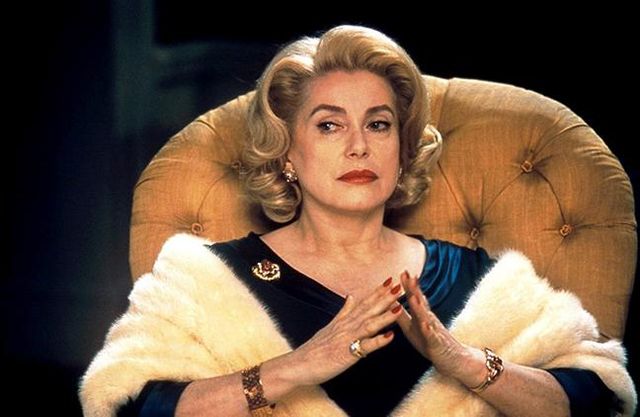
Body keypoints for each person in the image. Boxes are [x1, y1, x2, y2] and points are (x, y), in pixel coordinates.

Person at [80, 25, 636, 417]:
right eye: (329, 125)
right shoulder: (207, 279)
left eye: (378, 124)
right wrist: (300, 366)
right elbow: (127, 401)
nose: (358, 146)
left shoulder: (476, 279)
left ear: (402, 149)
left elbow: (596, 393)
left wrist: (465, 363)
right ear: (285, 152)